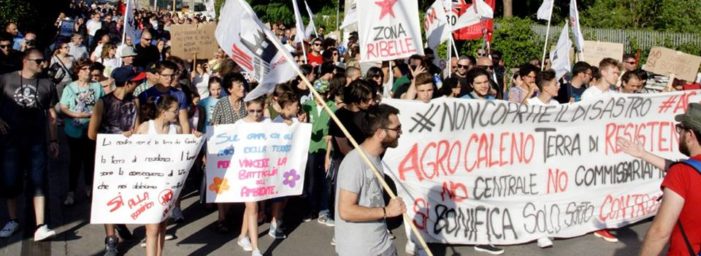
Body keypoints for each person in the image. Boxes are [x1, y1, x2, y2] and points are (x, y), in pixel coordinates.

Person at [0, 49, 58, 241]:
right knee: (10, 182)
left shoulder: (47, 84)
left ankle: (40, 225)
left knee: (38, 181)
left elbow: (51, 115)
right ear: (26, 61)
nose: (43, 64)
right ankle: (13, 220)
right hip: (11, 141)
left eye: (44, 61)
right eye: (39, 61)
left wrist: (53, 140)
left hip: (36, 141)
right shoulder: (6, 79)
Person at [335, 104, 406, 256]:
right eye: (397, 128)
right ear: (380, 133)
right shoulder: (354, 163)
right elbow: (346, 211)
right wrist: (388, 211)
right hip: (361, 250)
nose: (400, 132)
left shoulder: (375, 158)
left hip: (381, 243)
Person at [87, 65, 144, 256]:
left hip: (129, 157)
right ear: (127, 83)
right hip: (108, 159)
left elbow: (137, 127)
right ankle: (111, 239)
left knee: (125, 193)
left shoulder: (135, 100)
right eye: (135, 81)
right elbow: (92, 134)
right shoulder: (103, 102)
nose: (138, 84)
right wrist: (120, 136)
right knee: (107, 197)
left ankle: (119, 221)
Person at [638, 103, 701, 255]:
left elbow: (660, 232)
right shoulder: (684, 171)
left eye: (680, 129)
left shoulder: (682, 173)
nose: (679, 134)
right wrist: (643, 154)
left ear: (690, 134)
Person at [323, 80, 377, 231]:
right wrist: (362, 160)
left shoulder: (370, 113)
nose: (371, 102)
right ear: (357, 99)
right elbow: (343, 147)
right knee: (348, 198)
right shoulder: (339, 117)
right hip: (348, 163)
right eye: (368, 99)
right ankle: (343, 230)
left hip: (370, 160)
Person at [134, 95, 182, 256]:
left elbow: (183, 153)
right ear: (163, 111)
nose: (177, 113)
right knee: (152, 228)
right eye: (174, 111)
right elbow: (132, 155)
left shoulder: (176, 129)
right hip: (149, 184)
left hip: (168, 185)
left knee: (162, 226)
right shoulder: (146, 128)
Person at [60, 60, 105, 206]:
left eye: (89, 69)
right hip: (74, 129)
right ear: (78, 71)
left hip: (91, 128)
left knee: (90, 159)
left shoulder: (97, 86)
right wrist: (77, 115)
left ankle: (89, 187)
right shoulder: (70, 88)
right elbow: (63, 107)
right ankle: (71, 192)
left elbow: (103, 103)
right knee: (75, 161)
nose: (87, 72)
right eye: (84, 69)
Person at [211, 72, 248, 232]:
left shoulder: (247, 104)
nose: (242, 88)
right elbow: (214, 127)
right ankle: (222, 218)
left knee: (236, 183)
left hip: (243, 151)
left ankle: (230, 214)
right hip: (224, 151)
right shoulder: (221, 104)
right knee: (222, 184)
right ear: (229, 89)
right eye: (238, 85)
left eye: (242, 84)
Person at [235, 96, 268, 256]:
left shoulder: (268, 123)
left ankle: (242, 236)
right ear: (246, 108)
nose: (255, 114)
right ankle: (256, 248)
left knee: (250, 207)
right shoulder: (239, 125)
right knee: (253, 207)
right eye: (252, 111)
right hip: (245, 172)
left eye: (259, 111)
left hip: (262, 171)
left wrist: (290, 125)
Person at [137, 61, 191, 134]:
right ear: (157, 75)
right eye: (165, 75)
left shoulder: (180, 95)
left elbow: (184, 122)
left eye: (172, 75)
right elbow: (140, 120)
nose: (169, 79)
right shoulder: (145, 95)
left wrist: (185, 141)